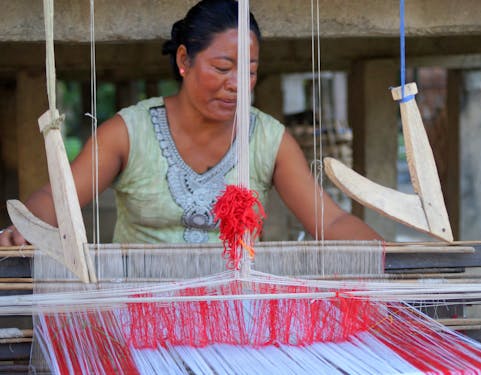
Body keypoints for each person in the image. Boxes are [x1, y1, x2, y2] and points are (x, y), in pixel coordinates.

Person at [0, 0, 381, 247]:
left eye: (249, 71)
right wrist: (29, 227)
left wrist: (395, 260)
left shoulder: (268, 140)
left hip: (234, 322)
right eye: (222, 68)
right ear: (184, 60)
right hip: (138, 318)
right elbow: (57, 198)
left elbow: (330, 221)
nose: (236, 85)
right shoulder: (129, 133)